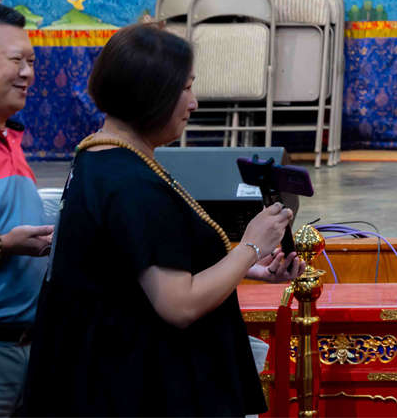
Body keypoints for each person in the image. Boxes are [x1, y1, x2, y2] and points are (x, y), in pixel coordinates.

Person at [22, 23, 303, 417]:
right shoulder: (130, 182)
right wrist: (252, 246)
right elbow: (179, 304)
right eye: (186, 88)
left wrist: (244, 266)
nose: (194, 103)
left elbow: (135, 264)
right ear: (151, 95)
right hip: (134, 391)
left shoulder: (100, 155)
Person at [0, 4, 51, 418]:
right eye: (17, 60)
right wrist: (4, 244)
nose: (27, 74)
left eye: (31, 62)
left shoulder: (9, 139)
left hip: (29, 349)